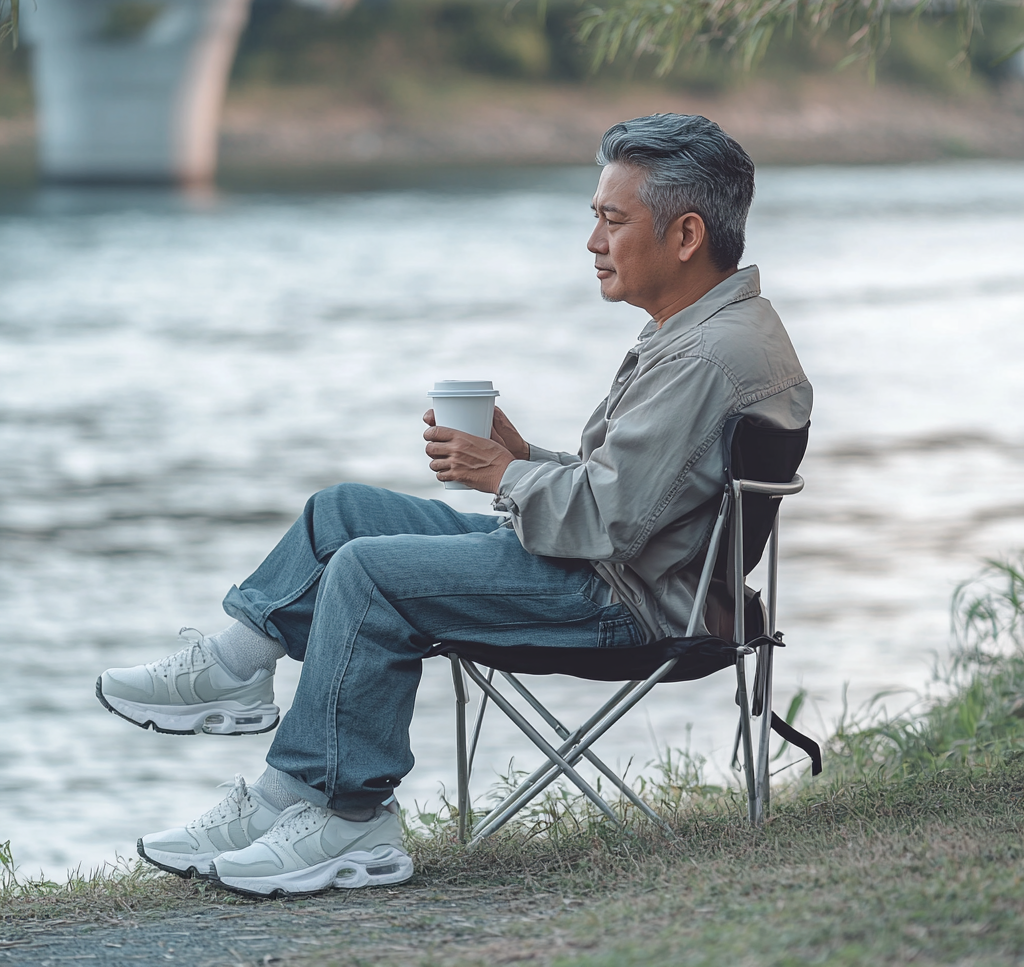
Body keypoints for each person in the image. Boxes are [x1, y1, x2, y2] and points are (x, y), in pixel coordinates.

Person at [97, 113, 812, 898]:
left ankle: (346, 815)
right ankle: (237, 682)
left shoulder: (707, 355)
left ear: (684, 235)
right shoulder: (715, 327)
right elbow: (647, 490)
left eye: (613, 219)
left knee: (370, 574)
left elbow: (611, 520)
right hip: (629, 570)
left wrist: (501, 474)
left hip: (629, 602)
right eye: (594, 218)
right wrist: (525, 457)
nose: (593, 242)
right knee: (345, 514)